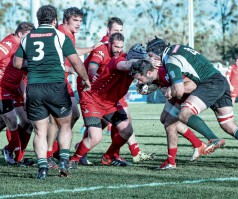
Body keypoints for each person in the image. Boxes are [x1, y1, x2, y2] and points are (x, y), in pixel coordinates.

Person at [130, 38, 238, 170]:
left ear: (157, 52)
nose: (150, 59)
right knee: (229, 125)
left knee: (184, 113)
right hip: (220, 81)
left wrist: (169, 90)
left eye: (150, 55)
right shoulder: (176, 49)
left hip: (209, 83)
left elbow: (179, 92)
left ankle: (212, 138)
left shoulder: (170, 60)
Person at [13, 5, 91, 179]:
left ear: (38, 20)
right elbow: (76, 62)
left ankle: (42, 169)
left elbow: (17, 63)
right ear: (55, 20)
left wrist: (33, 65)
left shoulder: (27, 38)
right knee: (64, 123)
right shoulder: (59, 35)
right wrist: (85, 79)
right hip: (55, 86)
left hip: (34, 87)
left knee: (40, 131)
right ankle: (63, 160)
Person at [76, 32, 155, 164]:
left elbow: (142, 74)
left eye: (121, 47)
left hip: (110, 100)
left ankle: (109, 156)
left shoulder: (124, 57)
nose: (118, 50)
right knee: (95, 136)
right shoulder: (114, 57)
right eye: (116, 47)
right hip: (93, 97)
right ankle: (73, 158)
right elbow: (96, 66)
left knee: (126, 129)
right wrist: (92, 74)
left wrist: (148, 80)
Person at [47, 7, 100, 168]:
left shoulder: (69, 34)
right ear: (65, 20)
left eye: (80, 21)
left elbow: (72, 52)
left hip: (64, 81)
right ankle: (49, 154)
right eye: (75, 20)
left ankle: (56, 150)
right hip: (54, 81)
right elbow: (72, 54)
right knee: (53, 121)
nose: (78, 24)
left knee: (73, 115)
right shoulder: (62, 32)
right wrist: (91, 48)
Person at [136, 67, 213, 169]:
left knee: (169, 124)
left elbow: (191, 85)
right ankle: (198, 144)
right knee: (164, 119)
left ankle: (171, 162)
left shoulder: (166, 69)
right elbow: (159, 83)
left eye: (140, 79)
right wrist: (148, 86)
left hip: (185, 95)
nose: (139, 81)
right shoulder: (152, 71)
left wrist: (171, 89)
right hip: (175, 95)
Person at [0, 22, 35, 165]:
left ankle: (13, 151)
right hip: (2, 90)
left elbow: (19, 74)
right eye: (29, 37)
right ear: (21, 34)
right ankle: (17, 157)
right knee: (12, 120)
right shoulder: (7, 44)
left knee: (27, 121)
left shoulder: (22, 49)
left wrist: (25, 94)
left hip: (14, 90)